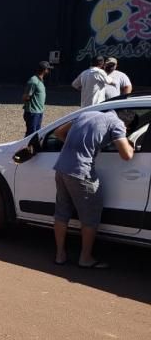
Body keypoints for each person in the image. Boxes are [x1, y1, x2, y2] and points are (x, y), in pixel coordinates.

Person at [52, 109, 137, 268]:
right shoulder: (117, 124)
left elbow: (58, 132)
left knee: (62, 213)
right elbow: (127, 155)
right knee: (90, 217)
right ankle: (85, 259)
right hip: (81, 173)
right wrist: (129, 144)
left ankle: (59, 255)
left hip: (61, 168)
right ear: (128, 127)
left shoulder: (88, 114)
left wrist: (78, 147)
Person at [21, 61, 53, 137]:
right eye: (48, 69)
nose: (49, 71)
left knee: (37, 133)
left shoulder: (40, 80)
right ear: (44, 70)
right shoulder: (33, 81)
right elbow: (26, 96)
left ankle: (33, 148)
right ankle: (25, 148)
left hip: (39, 112)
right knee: (30, 135)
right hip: (32, 113)